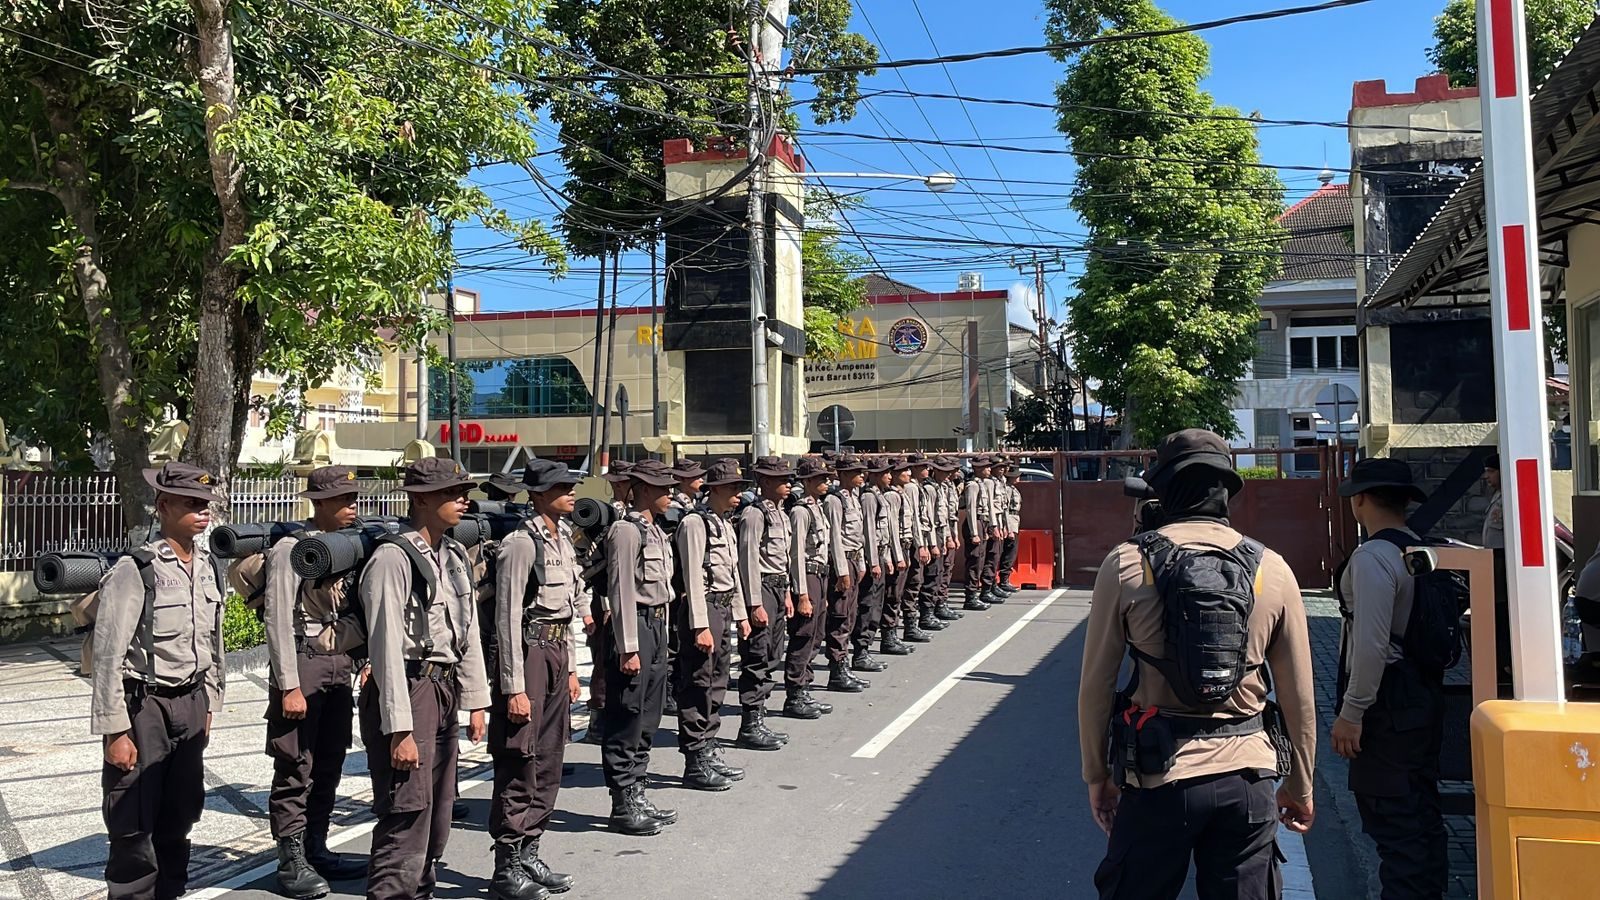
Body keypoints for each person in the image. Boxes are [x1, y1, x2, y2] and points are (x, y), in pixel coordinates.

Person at [1078, 430, 1316, 900]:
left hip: (1156, 779)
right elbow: (1297, 695)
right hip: (1247, 778)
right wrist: (1301, 783)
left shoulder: (1128, 564)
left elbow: (1096, 686)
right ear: (1227, 490)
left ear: (1161, 490)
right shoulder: (1272, 567)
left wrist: (1096, 775)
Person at [358, 457, 491, 900]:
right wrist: (399, 729)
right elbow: (385, 649)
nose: (463, 500)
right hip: (409, 689)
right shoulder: (392, 559)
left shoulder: (452, 553)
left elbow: (466, 627)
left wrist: (476, 700)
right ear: (420, 499)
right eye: (452, 493)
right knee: (406, 811)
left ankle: (421, 890)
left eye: (463, 492)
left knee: (438, 811)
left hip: (443, 687)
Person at [92, 462, 226, 900]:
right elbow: (108, 654)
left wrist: (210, 702)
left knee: (180, 813)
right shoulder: (137, 569)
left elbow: (213, 640)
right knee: (133, 817)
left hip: (189, 703)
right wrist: (115, 729)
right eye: (191, 503)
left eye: (205, 504)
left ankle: (171, 891)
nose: (202, 511)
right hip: (145, 706)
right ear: (163, 506)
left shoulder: (208, 565)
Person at [1333, 457, 1446, 900]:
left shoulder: (1372, 558)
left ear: (1360, 500)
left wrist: (1352, 712)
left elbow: (1371, 644)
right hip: (1422, 695)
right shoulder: (1418, 549)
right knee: (1421, 818)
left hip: (1387, 706)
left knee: (1393, 823)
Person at [264, 466, 367, 898]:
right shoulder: (292, 549)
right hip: (303, 663)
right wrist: (288, 685)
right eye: (343, 500)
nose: (353, 506)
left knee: (329, 762)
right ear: (318, 503)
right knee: (295, 766)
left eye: (354, 498)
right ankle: (291, 860)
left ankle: (316, 847)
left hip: (337, 665)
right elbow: (277, 616)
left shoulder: (347, 547)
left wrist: (361, 658)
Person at [486, 460, 586, 898]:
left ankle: (530, 848)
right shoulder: (520, 544)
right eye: (563, 487)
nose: (572, 493)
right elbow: (506, 619)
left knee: (549, 755)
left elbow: (567, 610)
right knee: (520, 756)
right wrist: (513, 686)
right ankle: (506, 864)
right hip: (528, 654)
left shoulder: (562, 538)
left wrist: (573, 668)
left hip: (556, 651)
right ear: (540, 494)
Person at [599, 459, 679, 835]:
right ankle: (622, 802)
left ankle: (638, 790)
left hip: (657, 624)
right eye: (663, 488)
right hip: (637, 627)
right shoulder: (626, 531)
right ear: (643, 489)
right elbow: (621, 591)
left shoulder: (655, 530)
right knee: (627, 715)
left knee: (648, 714)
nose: (670, 494)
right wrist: (628, 646)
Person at [674, 459, 752, 790]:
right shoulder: (695, 524)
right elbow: (692, 577)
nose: (738, 493)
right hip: (703, 610)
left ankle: (708, 745)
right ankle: (694, 759)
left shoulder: (723, 523)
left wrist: (741, 614)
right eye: (733, 488)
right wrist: (699, 625)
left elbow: (731, 574)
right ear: (715, 490)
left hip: (720, 609)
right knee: (697, 684)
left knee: (717, 681)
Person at [735, 456, 796, 752]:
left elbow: (780, 560)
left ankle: (759, 716)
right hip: (760, 590)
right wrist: (754, 603)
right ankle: (749, 723)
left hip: (776, 588)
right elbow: (748, 562)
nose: (788, 484)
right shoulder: (754, 515)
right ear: (766, 482)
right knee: (757, 656)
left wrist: (786, 594)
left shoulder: (781, 513)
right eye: (782, 479)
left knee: (772, 653)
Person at [580, 461, 634, 744]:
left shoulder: (627, 514)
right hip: (604, 598)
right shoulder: (603, 514)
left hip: (623, 596)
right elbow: (595, 563)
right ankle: (597, 721)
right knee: (603, 659)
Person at [784, 457, 837, 719]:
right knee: (803, 634)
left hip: (820, 576)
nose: (824, 483)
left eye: (825, 478)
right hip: (807, 576)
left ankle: (804, 686)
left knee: (816, 634)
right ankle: (795, 694)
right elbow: (796, 555)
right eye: (819, 479)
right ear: (806, 482)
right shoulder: (800, 511)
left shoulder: (817, 507)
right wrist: (802, 594)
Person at [825, 455, 877, 684]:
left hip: (855, 560)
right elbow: (835, 536)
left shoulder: (854, 498)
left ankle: (844, 664)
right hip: (844, 561)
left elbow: (860, 536)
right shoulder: (835, 501)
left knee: (850, 614)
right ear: (844, 475)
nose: (861, 475)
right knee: (840, 616)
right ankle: (837, 669)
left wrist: (863, 563)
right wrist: (842, 570)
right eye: (856, 472)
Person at [860, 458, 909, 659]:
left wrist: (888, 557)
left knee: (879, 602)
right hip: (875, 555)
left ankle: (878, 641)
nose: (890, 476)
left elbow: (888, 531)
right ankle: (861, 651)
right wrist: (873, 561)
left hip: (882, 553)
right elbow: (870, 532)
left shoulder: (881, 496)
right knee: (868, 605)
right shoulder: (869, 498)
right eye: (885, 473)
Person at [913, 454, 959, 629]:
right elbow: (928, 518)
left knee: (939, 573)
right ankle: (926, 615)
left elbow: (944, 517)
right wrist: (932, 543)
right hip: (931, 535)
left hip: (939, 532)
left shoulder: (939, 487)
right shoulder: (929, 488)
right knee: (930, 576)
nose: (949, 474)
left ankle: (934, 609)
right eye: (945, 471)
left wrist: (948, 536)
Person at [892, 457, 934, 643]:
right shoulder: (908, 489)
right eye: (906, 470)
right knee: (908, 585)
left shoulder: (912, 488)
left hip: (913, 541)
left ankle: (912, 623)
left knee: (914, 582)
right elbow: (913, 520)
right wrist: (922, 545)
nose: (908, 473)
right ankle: (908, 626)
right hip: (908, 543)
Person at [961, 457, 995, 612]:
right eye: (985, 467)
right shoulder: (973, 485)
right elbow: (971, 510)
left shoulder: (983, 484)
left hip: (982, 523)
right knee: (974, 560)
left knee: (980, 560)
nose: (989, 469)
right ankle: (970, 596)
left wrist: (988, 529)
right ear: (977, 468)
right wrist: (975, 532)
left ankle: (975, 593)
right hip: (974, 524)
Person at [931, 456, 963, 619]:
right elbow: (938, 516)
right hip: (939, 531)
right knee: (938, 570)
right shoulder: (934, 487)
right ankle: (936, 605)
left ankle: (942, 602)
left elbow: (952, 515)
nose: (953, 473)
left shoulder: (948, 485)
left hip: (948, 528)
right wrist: (947, 537)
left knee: (947, 568)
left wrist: (953, 535)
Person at [982, 457, 1010, 603]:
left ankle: (992, 585)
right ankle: (986, 588)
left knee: (996, 556)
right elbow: (991, 506)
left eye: (1004, 466)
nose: (1002, 469)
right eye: (999, 466)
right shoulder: (988, 482)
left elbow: (1003, 506)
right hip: (991, 522)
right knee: (991, 556)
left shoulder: (1000, 481)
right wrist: (994, 526)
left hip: (998, 520)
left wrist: (1004, 525)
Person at [996, 466, 1024, 596]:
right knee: (1009, 550)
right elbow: (1005, 508)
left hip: (1014, 519)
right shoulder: (1007, 489)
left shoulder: (1013, 488)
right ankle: (1003, 580)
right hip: (1010, 520)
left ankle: (1005, 579)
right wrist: (1008, 528)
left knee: (1011, 551)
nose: (1019, 477)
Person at [1481, 453, 1504, 550]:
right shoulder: (1497, 496)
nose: (1486, 476)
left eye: (1491, 471)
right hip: (1493, 554)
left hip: (1505, 555)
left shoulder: (1509, 499)